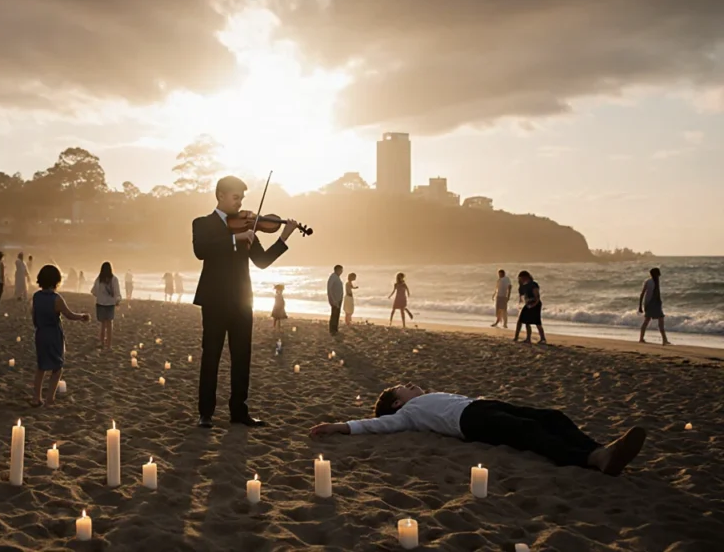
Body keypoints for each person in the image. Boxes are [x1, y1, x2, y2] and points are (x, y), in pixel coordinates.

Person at [309, 383, 647, 477]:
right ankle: (593, 459)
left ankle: (602, 449)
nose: (411, 385)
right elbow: (375, 425)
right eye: (403, 388)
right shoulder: (408, 413)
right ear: (398, 404)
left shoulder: (425, 399)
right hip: (470, 422)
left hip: (482, 405)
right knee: (529, 431)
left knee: (551, 416)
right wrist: (339, 426)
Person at [192, 175, 298, 428]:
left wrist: (284, 237)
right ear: (220, 196)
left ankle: (239, 412)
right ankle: (206, 413)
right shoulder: (203, 223)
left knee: (242, 357)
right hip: (214, 301)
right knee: (211, 357)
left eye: (242, 198)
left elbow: (262, 262)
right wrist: (233, 240)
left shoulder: (246, 227)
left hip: (242, 301)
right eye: (235, 198)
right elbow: (201, 251)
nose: (240, 204)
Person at [31, 265, 90, 407]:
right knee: (57, 367)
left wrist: (39, 326)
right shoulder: (56, 299)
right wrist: (82, 316)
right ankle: (50, 398)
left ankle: (36, 398)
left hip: (40, 333)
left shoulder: (36, 296)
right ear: (56, 280)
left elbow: (33, 315)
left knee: (41, 367)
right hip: (53, 334)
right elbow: (69, 315)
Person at [90, 261, 122, 349]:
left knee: (103, 325)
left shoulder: (99, 279)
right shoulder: (114, 279)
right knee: (109, 324)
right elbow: (117, 292)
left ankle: (102, 342)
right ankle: (109, 344)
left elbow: (94, 291)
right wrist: (117, 301)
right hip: (110, 304)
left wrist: (101, 296)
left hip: (100, 303)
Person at [639, 267, 670, 345]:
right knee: (660, 320)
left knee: (647, 320)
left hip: (650, 303)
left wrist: (640, 305)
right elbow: (646, 293)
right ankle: (664, 340)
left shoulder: (650, 281)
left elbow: (643, 294)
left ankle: (641, 338)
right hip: (652, 303)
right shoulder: (653, 281)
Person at [514, 270, 546, 344]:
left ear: (525, 277)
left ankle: (543, 338)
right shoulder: (524, 286)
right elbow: (521, 294)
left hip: (535, 304)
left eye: (521, 278)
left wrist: (534, 304)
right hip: (528, 304)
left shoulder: (533, 284)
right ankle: (528, 338)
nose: (520, 280)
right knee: (525, 321)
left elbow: (537, 296)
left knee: (537, 322)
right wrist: (520, 284)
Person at [327, 265, 344, 336]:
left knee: (337, 314)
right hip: (335, 299)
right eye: (341, 270)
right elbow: (329, 289)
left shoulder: (337, 277)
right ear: (337, 270)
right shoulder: (333, 277)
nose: (341, 272)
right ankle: (332, 330)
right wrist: (332, 300)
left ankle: (335, 329)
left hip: (338, 299)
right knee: (334, 314)